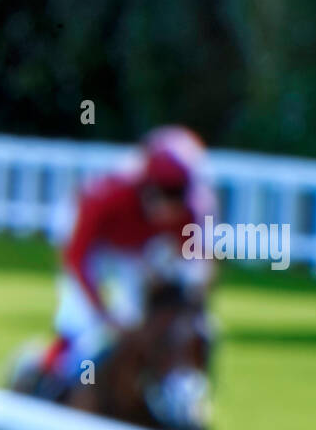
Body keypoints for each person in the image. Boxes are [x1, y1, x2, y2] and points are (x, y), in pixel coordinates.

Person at [40, 125, 215, 391]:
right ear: (147, 186)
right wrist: (103, 313)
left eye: (177, 197)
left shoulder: (194, 207)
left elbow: (197, 267)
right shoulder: (108, 195)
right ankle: (48, 381)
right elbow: (77, 256)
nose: (170, 209)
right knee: (80, 321)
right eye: (163, 196)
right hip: (92, 241)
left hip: (137, 248)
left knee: (140, 320)